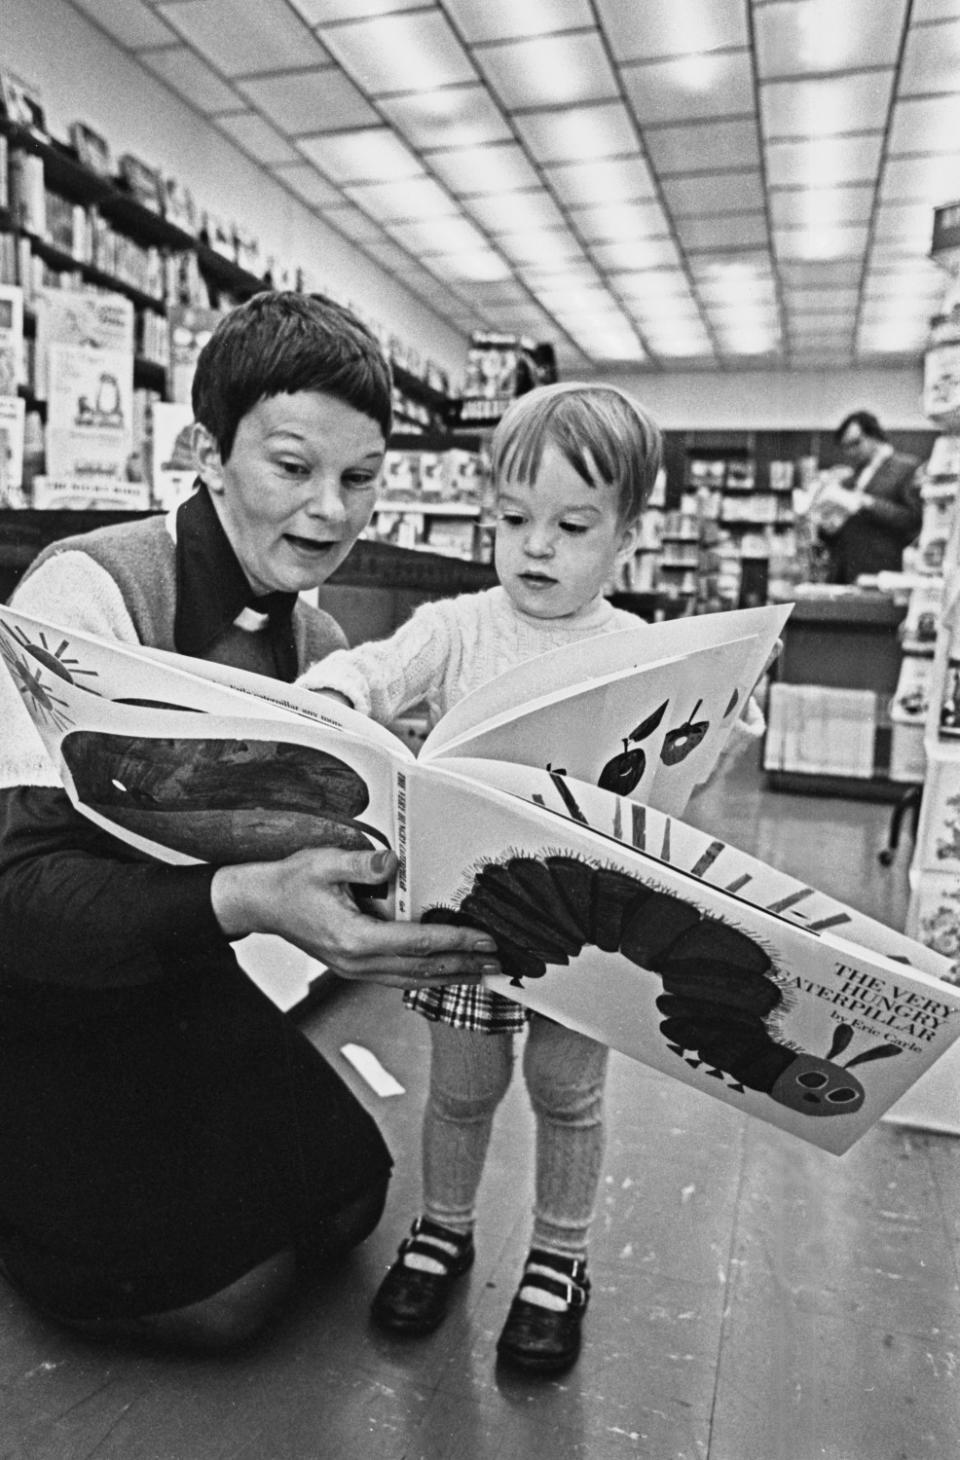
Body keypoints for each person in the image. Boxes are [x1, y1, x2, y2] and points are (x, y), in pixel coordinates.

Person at [0, 291, 500, 1351]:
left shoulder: (314, 637)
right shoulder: (86, 591)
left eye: (359, 478)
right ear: (206, 452)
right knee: (212, 1298)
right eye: (292, 465)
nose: (330, 510)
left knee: (351, 1195)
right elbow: (14, 892)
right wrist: (253, 898)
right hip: (37, 982)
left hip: (176, 972)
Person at [299, 382, 764, 1375]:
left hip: (590, 925)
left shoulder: (640, 651)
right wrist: (334, 695)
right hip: (469, 911)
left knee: (567, 1089)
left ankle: (559, 1255)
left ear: (628, 536)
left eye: (571, 524)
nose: (536, 546)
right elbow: (376, 669)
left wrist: (722, 718)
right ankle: (445, 1226)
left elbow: (691, 768)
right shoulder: (460, 625)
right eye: (513, 520)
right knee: (460, 1089)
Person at [822, 410, 922, 583]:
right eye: (845, 447)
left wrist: (867, 502)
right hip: (846, 571)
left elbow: (913, 520)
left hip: (883, 570)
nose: (851, 452)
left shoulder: (906, 468)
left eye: (855, 443)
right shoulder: (852, 476)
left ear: (875, 436)